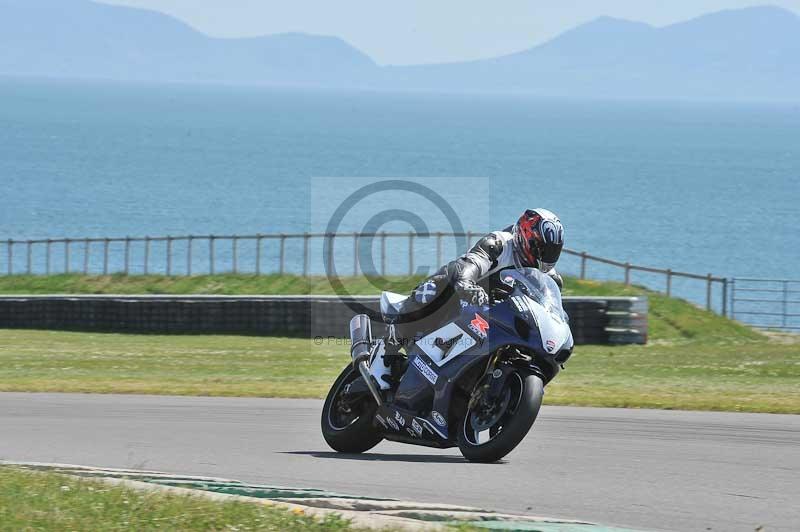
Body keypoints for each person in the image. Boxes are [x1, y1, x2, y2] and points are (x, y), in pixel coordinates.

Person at [368, 208, 565, 389]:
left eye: (552, 250)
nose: (546, 256)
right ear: (525, 237)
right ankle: (386, 349)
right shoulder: (499, 244)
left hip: (495, 319)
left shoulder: (552, 278)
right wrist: (467, 283)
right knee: (445, 280)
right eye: (541, 248)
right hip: (464, 299)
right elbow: (471, 263)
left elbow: (550, 311)